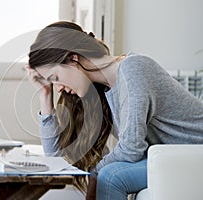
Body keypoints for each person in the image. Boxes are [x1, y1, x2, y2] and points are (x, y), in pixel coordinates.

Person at [25, 21, 203, 200]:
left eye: (55, 78)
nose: (58, 88)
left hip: (194, 152)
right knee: (108, 173)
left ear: (73, 59)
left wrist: (96, 173)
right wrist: (44, 94)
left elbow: (131, 149)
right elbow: (56, 158)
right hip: (169, 156)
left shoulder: (133, 69)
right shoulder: (101, 91)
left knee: (111, 176)